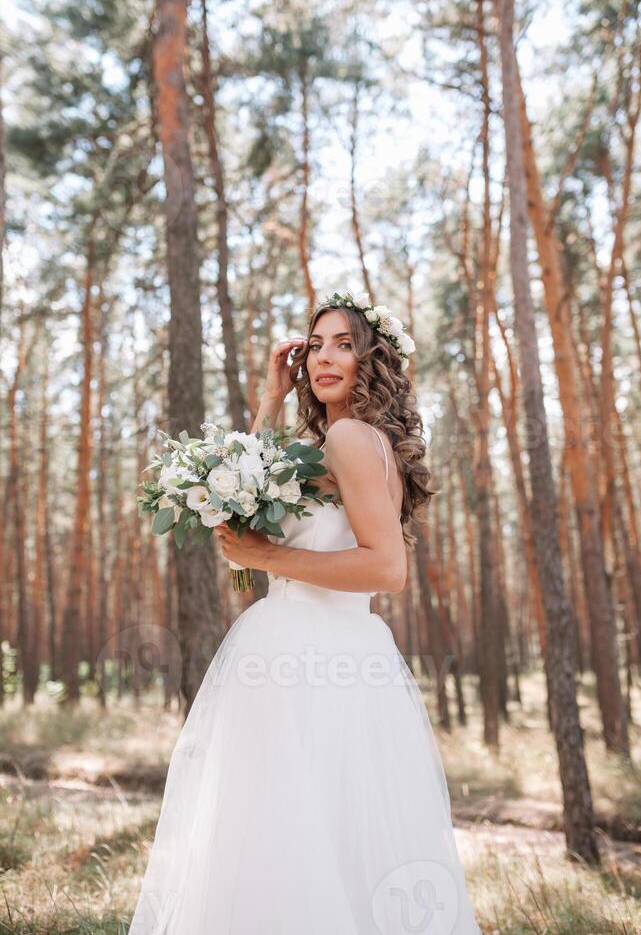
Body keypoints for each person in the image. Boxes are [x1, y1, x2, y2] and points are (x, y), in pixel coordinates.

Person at [127, 291, 481, 934]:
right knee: (296, 829)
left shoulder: (350, 437)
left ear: (373, 358)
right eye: (316, 344)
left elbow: (386, 569)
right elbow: (243, 494)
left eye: (345, 344)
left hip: (315, 654)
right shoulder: (329, 439)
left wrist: (268, 557)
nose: (324, 358)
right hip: (303, 648)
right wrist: (269, 399)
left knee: (279, 824)